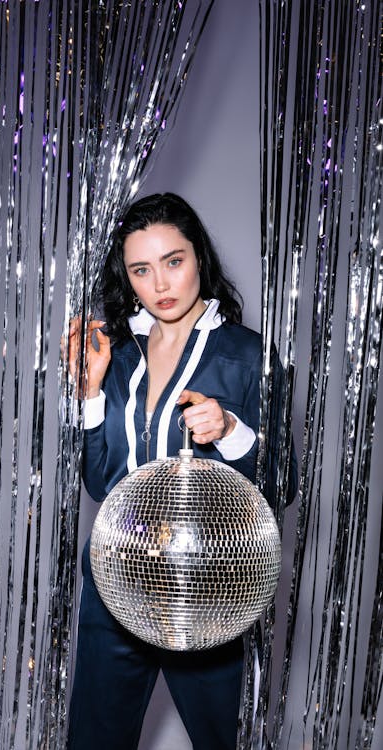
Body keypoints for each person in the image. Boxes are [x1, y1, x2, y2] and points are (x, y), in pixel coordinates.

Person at [66, 192, 297, 750]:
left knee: (224, 740)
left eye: (174, 261)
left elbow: (284, 484)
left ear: (200, 258)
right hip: (115, 583)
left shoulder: (247, 356)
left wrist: (230, 430)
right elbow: (101, 484)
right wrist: (91, 392)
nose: (161, 284)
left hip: (207, 589)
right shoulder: (118, 356)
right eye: (142, 270)